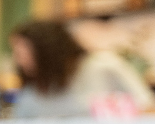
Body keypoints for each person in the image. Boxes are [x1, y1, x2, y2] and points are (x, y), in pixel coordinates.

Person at [9, 19, 153, 118]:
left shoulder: (103, 67)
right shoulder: (32, 93)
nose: (19, 61)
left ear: (46, 51)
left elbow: (148, 109)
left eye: (22, 53)